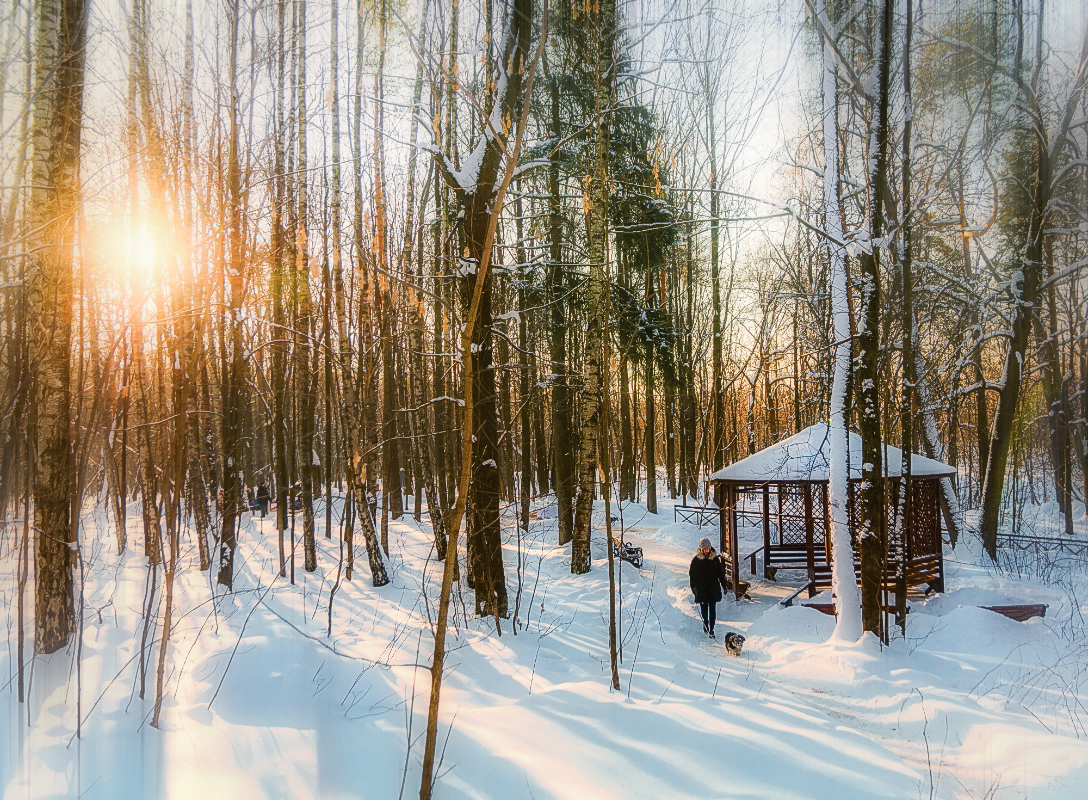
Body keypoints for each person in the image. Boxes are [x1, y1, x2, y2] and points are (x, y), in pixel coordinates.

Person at [689, 537, 728, 638]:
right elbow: (692, 576)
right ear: (701, 549)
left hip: (713, 588)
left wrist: (724, 586)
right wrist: (694, 588)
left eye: (708, 548)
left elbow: (720, 573)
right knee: (704, 608)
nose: (706, 550)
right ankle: (705, 624)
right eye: (704, 548)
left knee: (712, 609)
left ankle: (712, 629)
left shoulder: (715, 559)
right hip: (701, 589)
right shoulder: (696, 560)